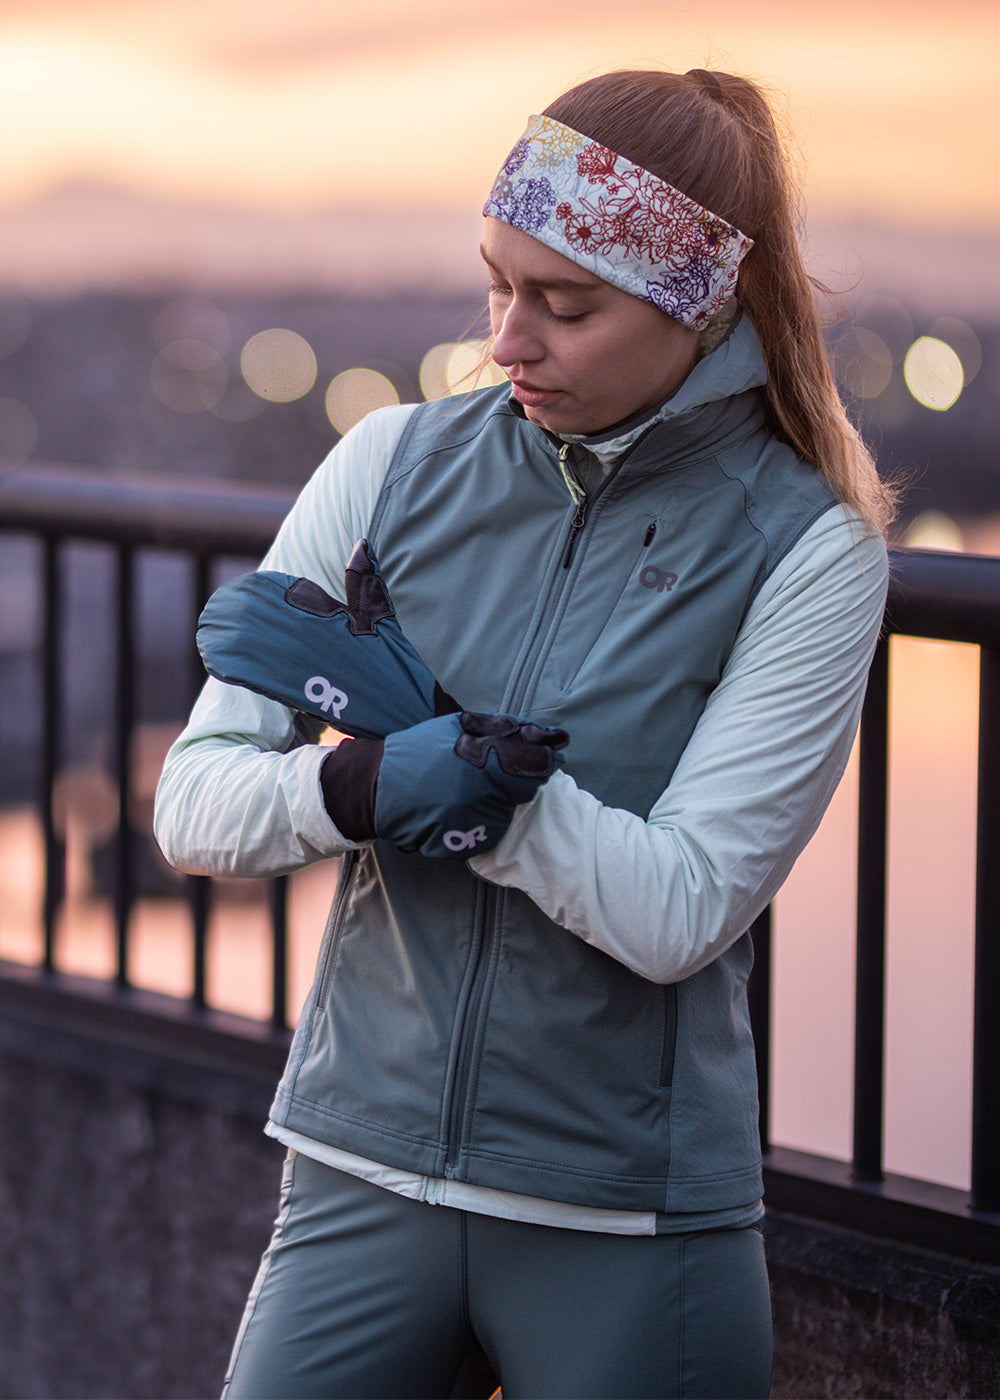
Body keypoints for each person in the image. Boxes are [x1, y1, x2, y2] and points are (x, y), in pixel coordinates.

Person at [154, 66, 895, 1400]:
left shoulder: (810, 549)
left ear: (702, 297)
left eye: (567, 305)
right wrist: (368, 786)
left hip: (626, 1216)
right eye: (496, 283)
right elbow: (196, 804)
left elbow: (684, 906)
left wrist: (478, 789)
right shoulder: (390, 465)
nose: (507, 340)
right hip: (358, 1163)